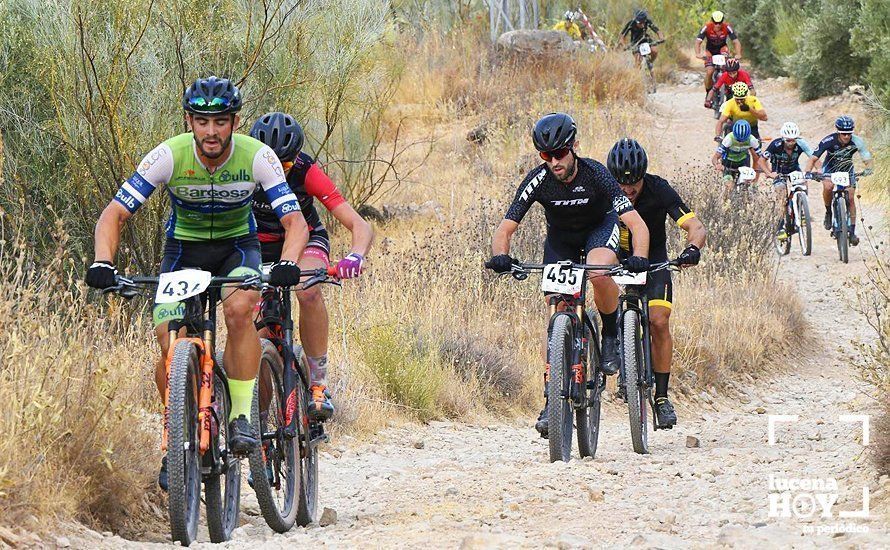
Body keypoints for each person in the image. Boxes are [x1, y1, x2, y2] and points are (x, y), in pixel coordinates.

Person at [85, 76, 310, 490]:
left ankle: (241, 416)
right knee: (171, 348)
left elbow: (294, 222)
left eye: (221, 121)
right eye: (203, 121)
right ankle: (178, 441)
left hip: (237, 250)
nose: (211, 131)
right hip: (183, 254)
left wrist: (289, 264)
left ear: (235, 121)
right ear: (189, 120)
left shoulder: (258, 156)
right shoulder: (167, 156)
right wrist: (103, 261)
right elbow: (113, 214)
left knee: (240, 310)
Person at [486, 112, 651, 438]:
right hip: (561, 241)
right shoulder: (539, 179)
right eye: (546, 155)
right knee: (555, 307)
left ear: (573, 146)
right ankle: (552, 398)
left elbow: (636, 224)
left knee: (600, 271)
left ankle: (608, 335)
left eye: (559, 153)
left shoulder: (596, 174)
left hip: (598, 231)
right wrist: (500, 256)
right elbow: (505, 228)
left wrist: (640, 258)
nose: (554, 161)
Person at [249, 112, 374, 421]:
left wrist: (356, 255)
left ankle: (318, 384)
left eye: (286, 165)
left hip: (306, 240)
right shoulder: (244, 167)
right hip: (258, 247)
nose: (280, 171)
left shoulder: (306, 170)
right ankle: (259, 419)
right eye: (273, 164)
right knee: (257, 334)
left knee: (308, 290)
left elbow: (358, 224)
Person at [606, 138, 706, 428]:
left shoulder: (658, 188)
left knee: (659, 321)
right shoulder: (603, 190)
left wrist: (693, 249)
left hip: (654, 261)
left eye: (634, 183)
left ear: (643, 175)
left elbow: (695, 226)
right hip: (614, 259)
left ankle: (661, 398)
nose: (627, 189)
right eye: (620, 183)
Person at [805, 115, 874, 246]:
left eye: (849, 133)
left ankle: (852, 231)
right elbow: (813, 158)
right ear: (838, 131)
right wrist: (808, 172)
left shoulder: (857, 141)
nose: (846, 136)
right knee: (828, 187)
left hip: (848, 169)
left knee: (851, 198)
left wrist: (869, 168)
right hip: (830, 168)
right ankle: (828, 212)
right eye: (843, 133)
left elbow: (866, 156)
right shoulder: (828, 140)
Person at [763, 122, 817, 240]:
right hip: (779, 171)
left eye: (793, 140)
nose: (791, 143)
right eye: (788, 140)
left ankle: (802, 210)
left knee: (804, 183)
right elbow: (761, 161)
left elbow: (813, 157)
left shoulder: (801, 143)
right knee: (781, 194)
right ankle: (780, 227)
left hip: (794, 170)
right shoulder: (775, 145)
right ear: (783, 138)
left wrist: (818, 170)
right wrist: (769, 173)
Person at [695, 11, 742, 98]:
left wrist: (738, 54)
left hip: (722, 49)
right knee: (709, 72)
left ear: (722, 21)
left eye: (720, 23)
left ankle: (729, 90)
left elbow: (736, 42)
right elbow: (698, 42)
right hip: (710, 51)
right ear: (712, 21)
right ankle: (708, 92)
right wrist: (698, 54)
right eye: (715, 23)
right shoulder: (707, 27)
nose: (718, 25)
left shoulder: (727, 27)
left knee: (728, 69)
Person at [712, 119, 768, 193]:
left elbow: (762, 158)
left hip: (743, 164)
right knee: (729, 188)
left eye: (744, 140)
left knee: (745, 190)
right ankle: (725, 203)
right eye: (738, 139)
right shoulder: (729, 139)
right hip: (728, 165)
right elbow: (715, 157)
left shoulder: (752, 140)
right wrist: (717, 164)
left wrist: (767, 171)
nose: (741, 142)